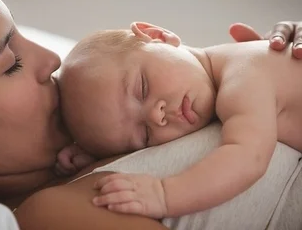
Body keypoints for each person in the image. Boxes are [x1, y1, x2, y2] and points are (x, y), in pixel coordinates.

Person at [0, 0, 301, 229]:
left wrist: (272, 56)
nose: (52, 59)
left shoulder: (124, 106)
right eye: (11, 63)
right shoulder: (52, 214)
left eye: (22, 31)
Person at [57, 21, 302, 218]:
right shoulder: (223, 71)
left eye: (143, 89)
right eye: (146, 135)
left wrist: (165, 195)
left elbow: (249, 158)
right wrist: (95, 154)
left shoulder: (241, 78)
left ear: (158, 36)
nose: (157, 115)